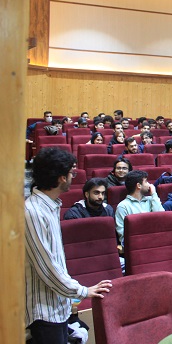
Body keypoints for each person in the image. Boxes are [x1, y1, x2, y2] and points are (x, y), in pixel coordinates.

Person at [24, 147, 112, 344]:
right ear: (62, 178)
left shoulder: (50, 206)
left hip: (58, 304)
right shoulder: (33, 212)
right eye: (72, 173)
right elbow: (46, 268)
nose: (73, 177)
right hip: (44, 311)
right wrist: (82, 291)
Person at [115, 170, 165, 245]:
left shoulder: (151, 200)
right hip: (136, 245)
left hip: (156, 241)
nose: (149, 184)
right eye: (146, 181)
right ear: (139, 185)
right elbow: (123, 236)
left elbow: (162, 219)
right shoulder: (123, 206)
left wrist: (154, 194)